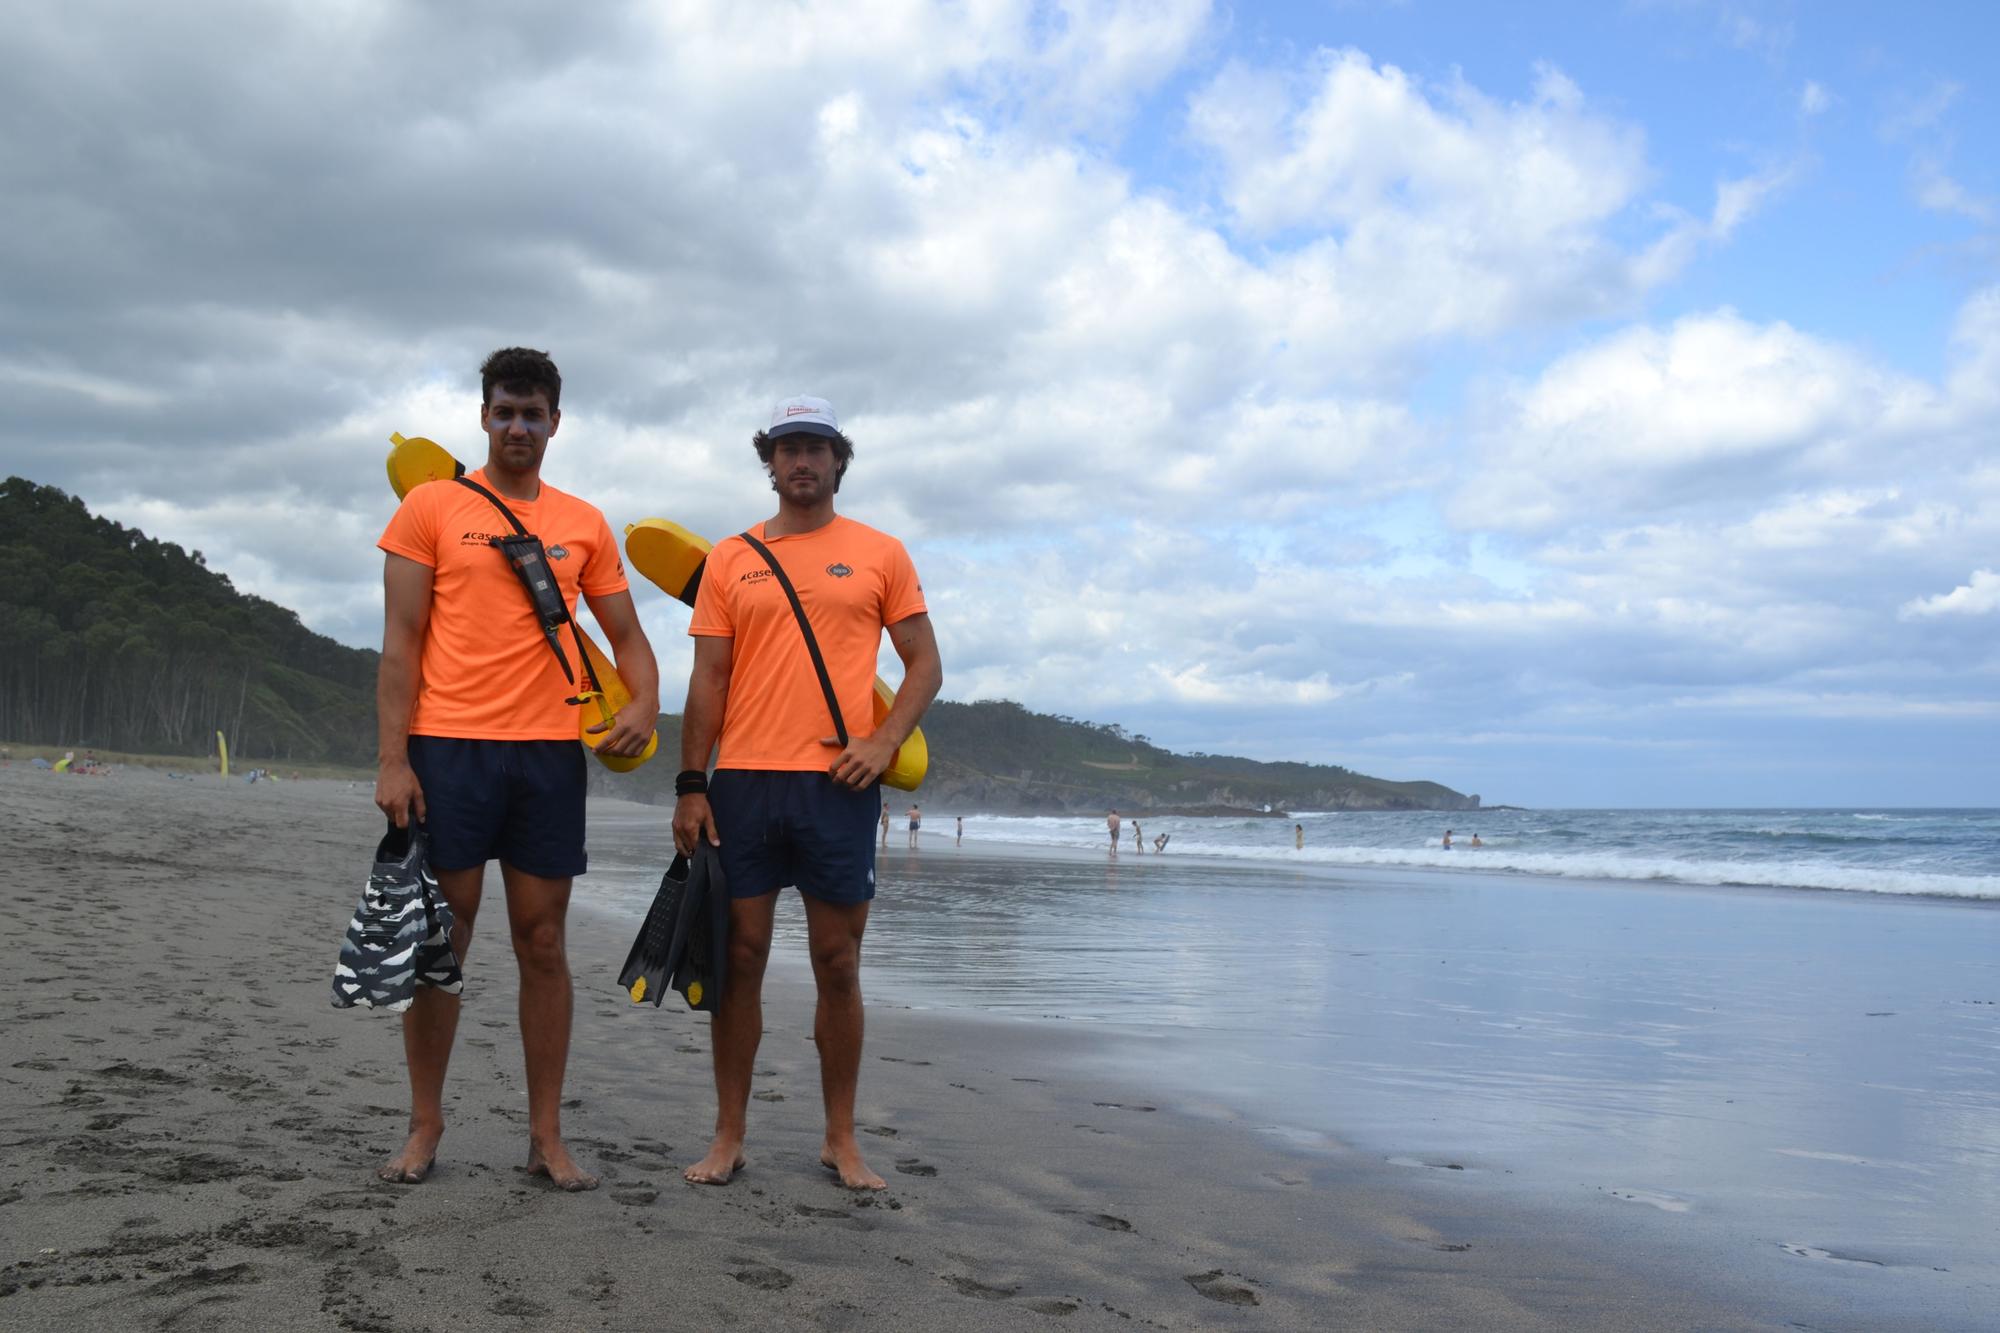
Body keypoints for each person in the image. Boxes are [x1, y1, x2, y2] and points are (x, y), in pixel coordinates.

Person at [373, 347, 659, 1191]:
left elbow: (630, 639)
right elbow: (400, 646)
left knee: (542, 941)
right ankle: (426, 1125)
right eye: (505, 411)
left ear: (555, 422)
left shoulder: (584, 522)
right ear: (485, 416)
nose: (519, 426)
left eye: (534, 413)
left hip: (547, 755)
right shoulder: (430, 507)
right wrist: (394, 760)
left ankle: (545, 1136)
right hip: (449, 749)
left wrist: (642, 705)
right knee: (443, 941)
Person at [673, 393, 942, 1191]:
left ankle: (840, 1138)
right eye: (787, 448)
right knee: (741, 956)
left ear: (838, 460)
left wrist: (883, 740)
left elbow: (925, 663)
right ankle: (729, 1135)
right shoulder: (731, 557)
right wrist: (693, 783)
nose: (801, 461)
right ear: (770, 462)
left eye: (816, 448)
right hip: (745, 783)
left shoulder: (880, 552)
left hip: (837, 782)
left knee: (838, 962)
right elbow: (709, 677)